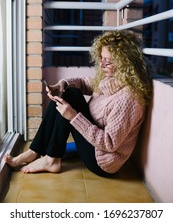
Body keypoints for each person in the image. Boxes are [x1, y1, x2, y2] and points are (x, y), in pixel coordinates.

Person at [4, 30, 152, 177]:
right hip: (93, 143)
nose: (101, 65)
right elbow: (84, 83)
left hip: (103, 161)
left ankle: (51, 159)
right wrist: (62, 84)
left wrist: (74, 117)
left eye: (107, 60)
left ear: (125, 62)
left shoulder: (129, 99)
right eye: (101, 58)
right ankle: (35, 151)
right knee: (68, 92)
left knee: (70, 98)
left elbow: (109, 144)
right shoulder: (112, 79)